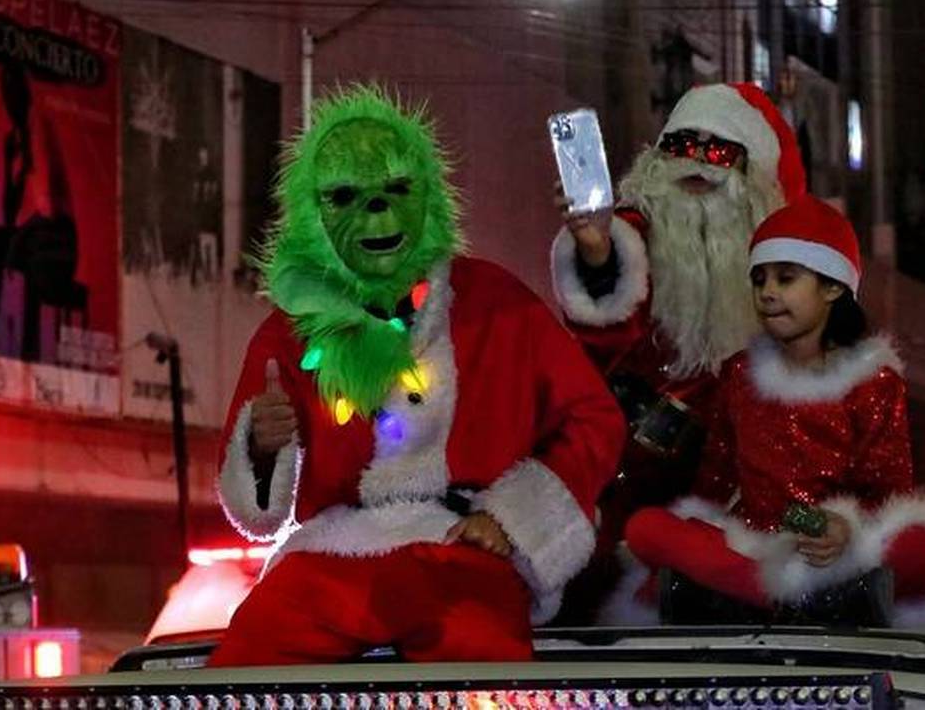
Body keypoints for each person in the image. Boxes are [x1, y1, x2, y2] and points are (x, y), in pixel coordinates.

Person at [207, 86, 624, 666]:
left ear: (427, 196)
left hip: (459, 545)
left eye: (397, 190)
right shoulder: (290, 329)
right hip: (336, 553)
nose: (376, 212)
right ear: (314, 213)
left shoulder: (494, 303)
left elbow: (594, 419)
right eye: (347, 197)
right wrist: (261, 445)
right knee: (248, 667)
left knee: (483, 684)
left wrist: (514, 517)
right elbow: (257, 507)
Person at [622, 195, 925, 629]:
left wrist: (845, 532)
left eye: (786, 278)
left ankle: (764, 593)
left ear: (832, 287)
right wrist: (696, 536)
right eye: (759, 280)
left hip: (838, 550)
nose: (768, 293)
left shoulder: (874, 381)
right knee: (646, 527)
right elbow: (714, 482)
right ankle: (783, 596)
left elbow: (889, 494)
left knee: (922, 545)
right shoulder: (739, 372)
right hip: (755, 544)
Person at [549, 83, 806, 621]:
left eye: (716, 151)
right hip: (610, 511)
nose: (696, 162)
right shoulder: (636, 242)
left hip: (729, 530)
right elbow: (603, 315)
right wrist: (596, 250)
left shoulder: (789, 299)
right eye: (681, 146)